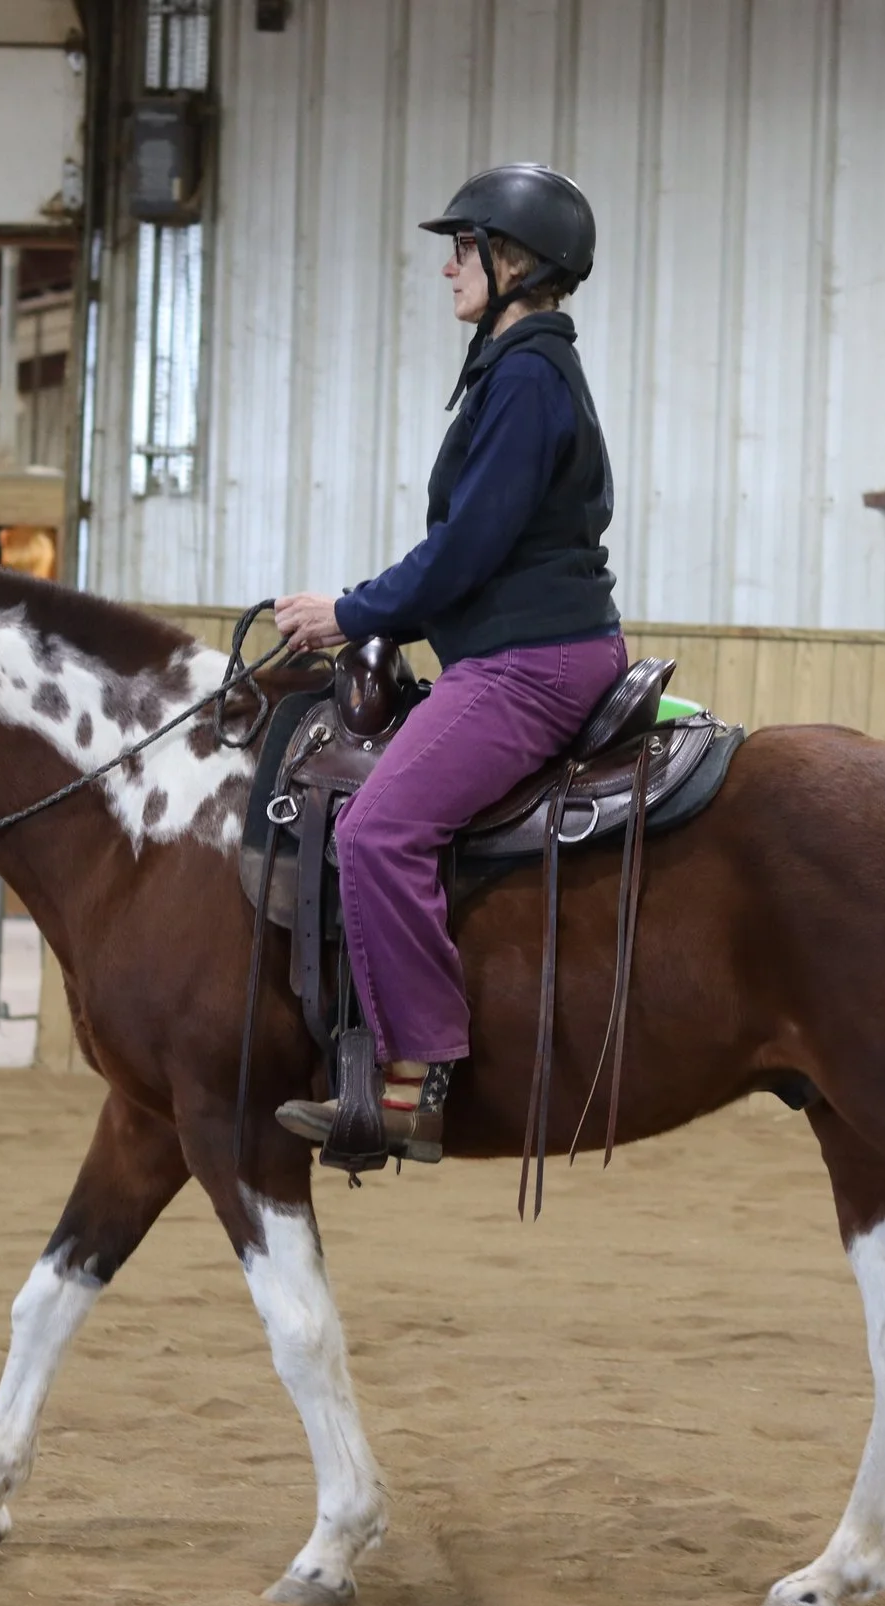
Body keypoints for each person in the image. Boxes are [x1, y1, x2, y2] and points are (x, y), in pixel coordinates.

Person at [271, 164, 626, 1166]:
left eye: (462, 249)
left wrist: (349, 611)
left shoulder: (523, 376)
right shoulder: (520, 368)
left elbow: (468, 547)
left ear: (514, 261)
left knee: (381, 827)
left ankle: (417, 1073)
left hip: (528, 663)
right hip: (521, 646)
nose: (447, 268)